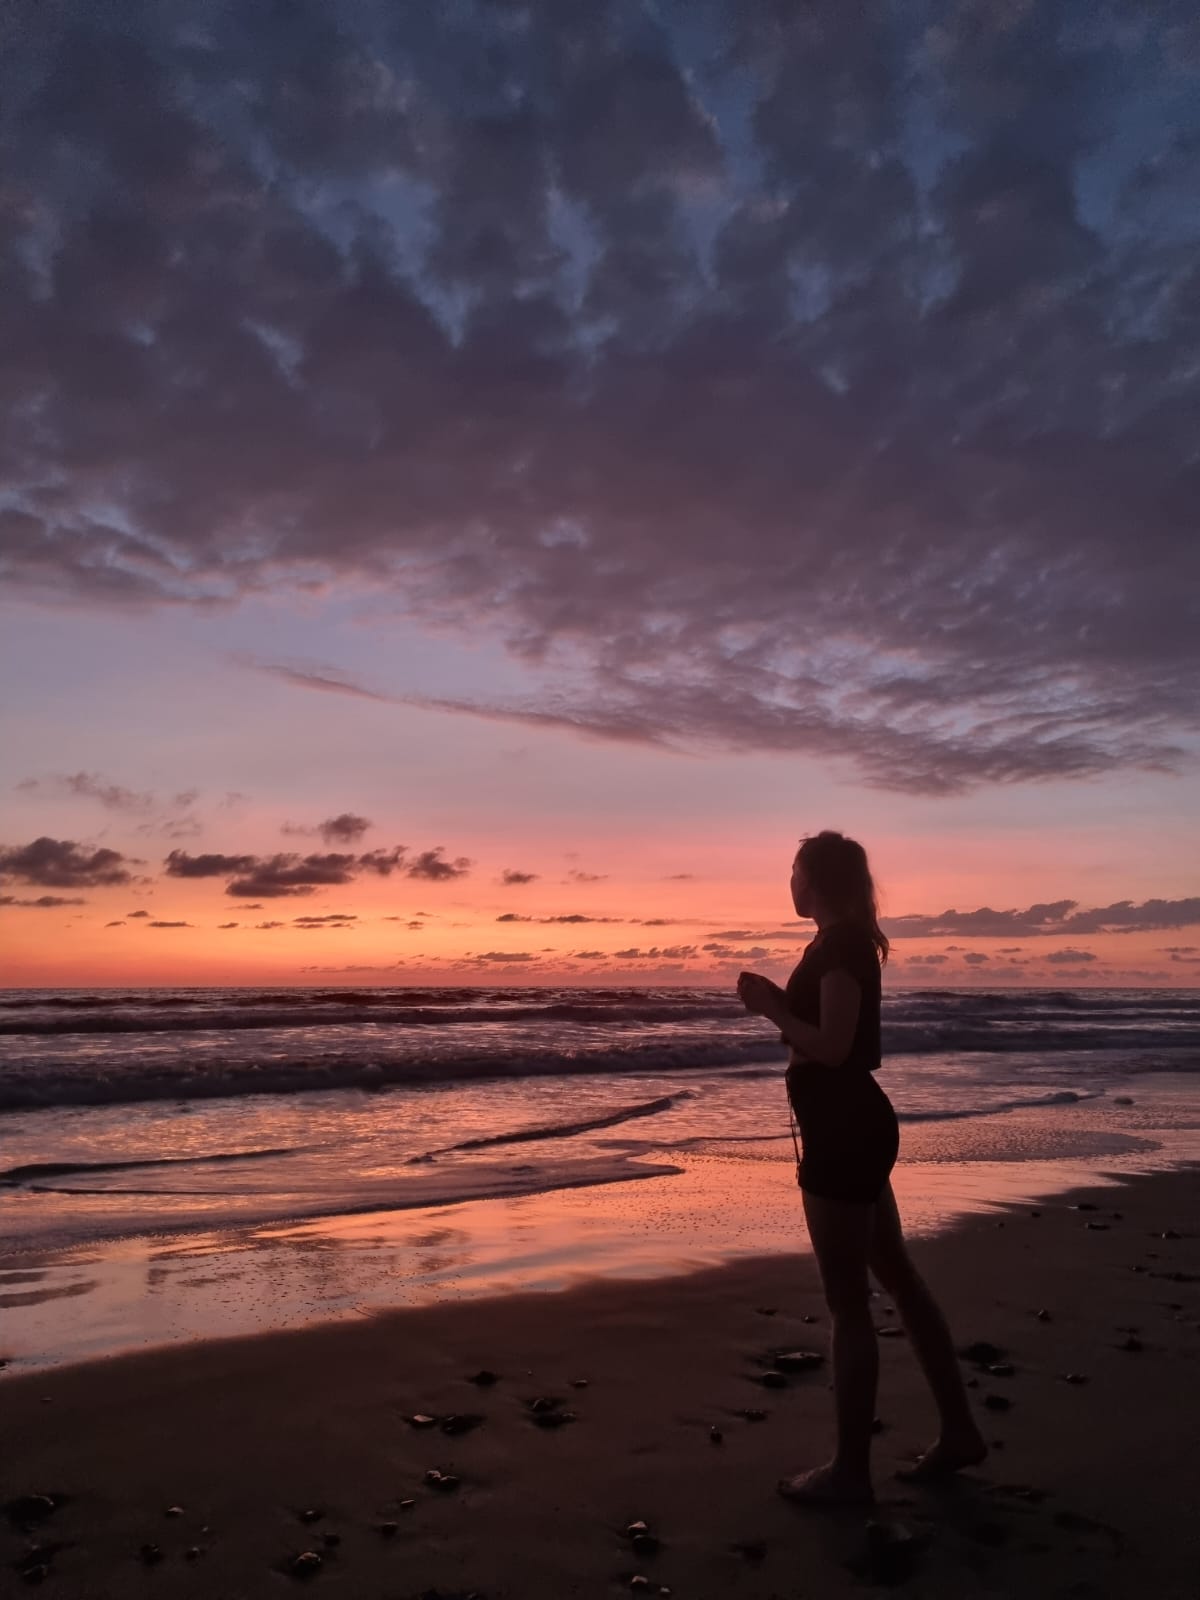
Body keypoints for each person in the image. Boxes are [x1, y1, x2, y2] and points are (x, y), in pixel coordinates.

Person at [736, 830, 986, 1507]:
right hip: (851, 1127)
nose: (788, 882)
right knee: (897, 1277)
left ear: (815, 879)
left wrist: (772, 1009)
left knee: (849, 1303)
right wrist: (780, 1007)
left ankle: (850, 1472)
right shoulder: (836, 943)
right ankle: (959, 1433)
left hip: (845, 1133)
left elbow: (835, 1047)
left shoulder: (842, 946)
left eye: (793, 871)